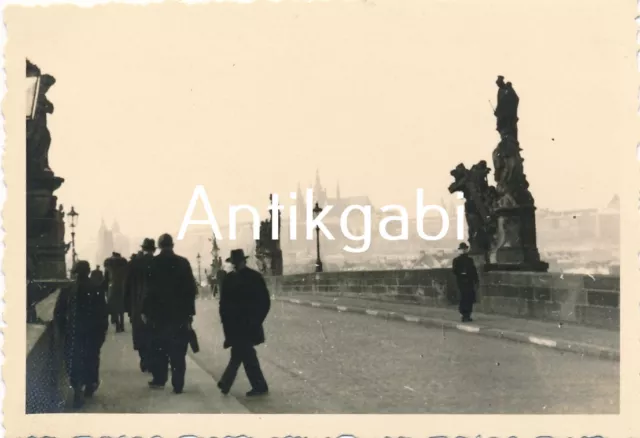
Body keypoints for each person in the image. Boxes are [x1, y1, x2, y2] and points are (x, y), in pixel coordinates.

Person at [142, 233, 197, 394]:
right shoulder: (183, 262)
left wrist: (145, 311)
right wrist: (189, 314)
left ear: (159, 246)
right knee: (178, 351)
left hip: (158, 315)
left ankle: (160, 379)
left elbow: (148, 291)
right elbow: (191, 290)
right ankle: (178, 384)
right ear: (172, 245)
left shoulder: (152, 263)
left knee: (159, 349)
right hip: (179, 314)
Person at [54, 260, 109, 409]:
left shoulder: (67, 289)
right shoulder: (96, 289)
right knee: (91, 358)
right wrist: (102, 332)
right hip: (92, 332)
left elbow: (58, 313)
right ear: (88, 271)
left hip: (74, 332)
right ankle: (90, 384)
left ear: (75, 272)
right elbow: (103, 313)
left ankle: (77, 389)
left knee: (74, 360)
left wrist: (62, 329)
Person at [218, 249, 271, 397]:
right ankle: (257, 386)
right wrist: (257, 320)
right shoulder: (255, 277)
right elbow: (264, 303)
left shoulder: (230, 279)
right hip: (246, 324)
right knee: (244, 353)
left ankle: (227, 382)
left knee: (241, 353)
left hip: (241, 325)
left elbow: (223, 305)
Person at [124, 238, 156, 373]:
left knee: (140, 334)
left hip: (136, 304)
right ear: (154, 249)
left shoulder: (133, 264)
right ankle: (153, 360)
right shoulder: (157, 262)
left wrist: (127, 308)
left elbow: (127, 287)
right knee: (154, 334)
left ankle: (144, 360)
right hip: (154, 305)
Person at [452, 242, 479, 322]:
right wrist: (461, 274)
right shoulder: (456, 260)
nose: (463, 251)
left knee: (469, 298)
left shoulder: (470, 260)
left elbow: (474, 271)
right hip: (462, 282)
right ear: (460, 250)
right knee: (463, 297)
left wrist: (476, 280)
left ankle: (468, 314)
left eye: (464, 249)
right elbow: (454, 271)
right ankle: (464, 315)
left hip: (469, 281)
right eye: (462, 249)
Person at [104, 252, 128, 333]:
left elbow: (106, 278)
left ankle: (117, 324)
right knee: (121, 307)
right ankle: (122, 325)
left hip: (112, 287)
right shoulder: (124, 264)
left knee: (113, 306)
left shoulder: (109, 264)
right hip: (122, 286)